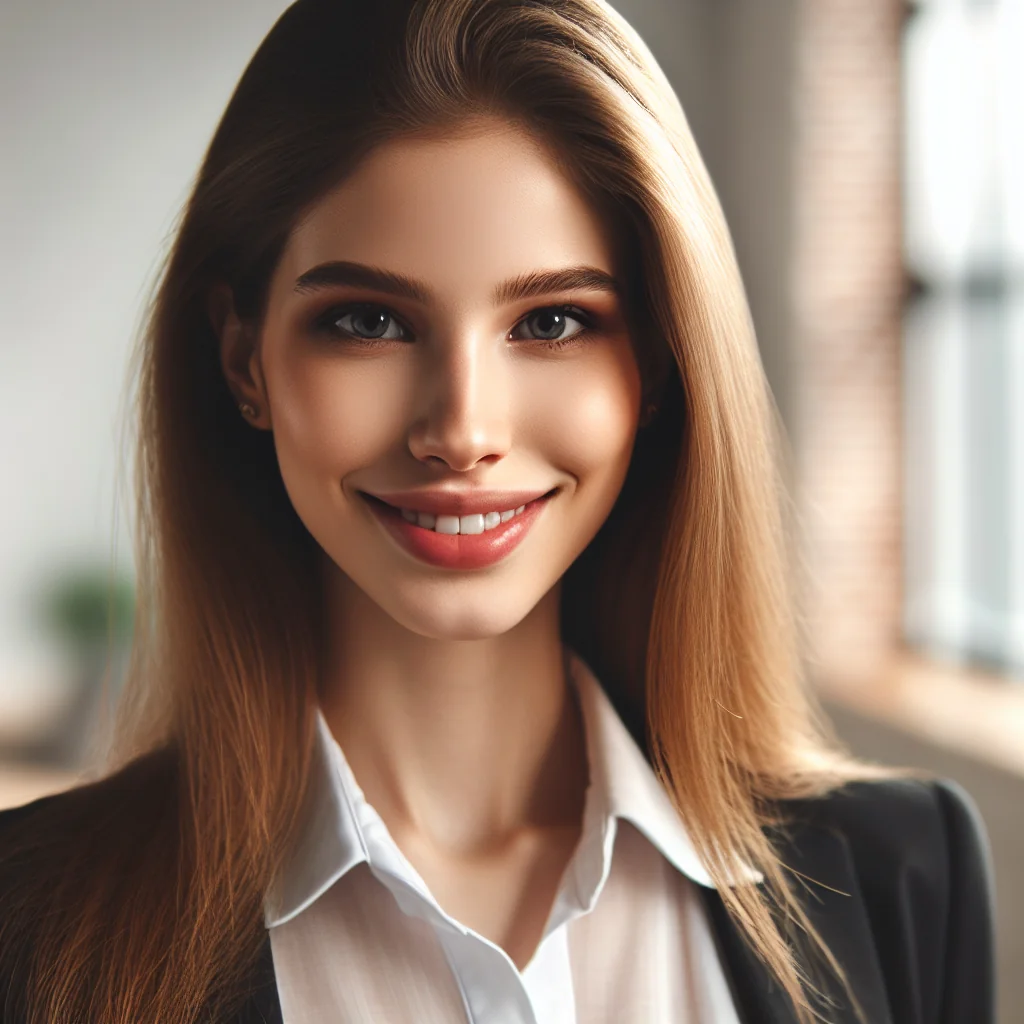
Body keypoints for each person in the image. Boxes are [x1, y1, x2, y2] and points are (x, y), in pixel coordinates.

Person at [0, 0, 996, 1021]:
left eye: (553, 321)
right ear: (241, 357)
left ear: (655, 359)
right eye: (370, 321)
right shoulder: (28, 925)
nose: (463, 429)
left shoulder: (899, 880)